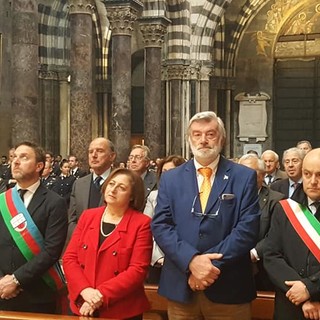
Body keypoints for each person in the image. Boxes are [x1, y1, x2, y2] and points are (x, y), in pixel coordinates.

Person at [152, 111, 261, 320]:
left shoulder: (243, 176)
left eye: (210, 134)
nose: (203, 140)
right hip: (182, 287)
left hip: (228, 287)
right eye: (197, 134)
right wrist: (191, 261)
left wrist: (208, 268)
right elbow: (161, 226)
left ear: (222, 138)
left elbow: (247, 229)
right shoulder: (171, 179)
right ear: (189, 139)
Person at [63, 168, 152, 319]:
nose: (113, 190)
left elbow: (137, 270)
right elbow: (70, 258)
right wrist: (85, 291)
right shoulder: (88, 216)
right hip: (82, 303)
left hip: (121, 310)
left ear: (132, 196)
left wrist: (99, 296)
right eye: (111, 184)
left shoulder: (141, 223)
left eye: (121, 188)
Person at [0, 141, 68, 313]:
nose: (15, 161)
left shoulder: (54, 202)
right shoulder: (3, 201)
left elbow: (52, 251)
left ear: (39, 166)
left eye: (24, 157)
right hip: (2, 292)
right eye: (14, 157)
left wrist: (15, 280)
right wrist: (2, 281)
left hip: (38, 293)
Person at [264, 148, 320, 320]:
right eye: (307, 174)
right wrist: (299, 293)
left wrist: (310, 288)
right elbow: (271, 255)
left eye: (319, 175)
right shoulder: (284, 209)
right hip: (290, 303)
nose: (312, 181)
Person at [238, 153, 285, 291]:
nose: (243, 178)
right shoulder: (229, 197)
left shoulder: (276, 200)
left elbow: (276, 234)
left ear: (262, 175)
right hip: (232, 266)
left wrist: (254, 253)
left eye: (249, 174)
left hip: (263, 269)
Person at [144, 155, 186, 284]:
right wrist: (158, 258)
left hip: (184, 259)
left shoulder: (193, 196)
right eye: (164, 173)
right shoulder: (154, 196)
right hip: (158, 260)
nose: (167, 177)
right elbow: (146, 229)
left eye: (172, 172)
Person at [67, 137, 116, 240]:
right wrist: (82, 237)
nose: (94, 155)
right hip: (81, 243)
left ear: (112, 156)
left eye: (100, 151)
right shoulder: (79, 184)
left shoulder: (121, 182)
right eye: (90, 152)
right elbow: (72, 219)